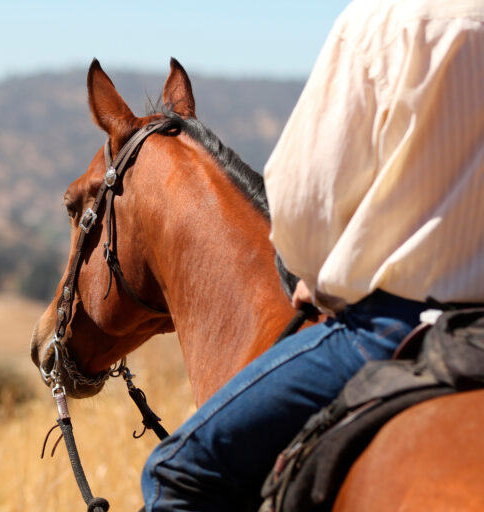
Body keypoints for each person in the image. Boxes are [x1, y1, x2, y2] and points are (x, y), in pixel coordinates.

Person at [141, 0, 484, 510]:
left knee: (176, 473)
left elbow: (302, 198)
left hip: (396, 324)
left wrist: (313, 274)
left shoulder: (383, 22)